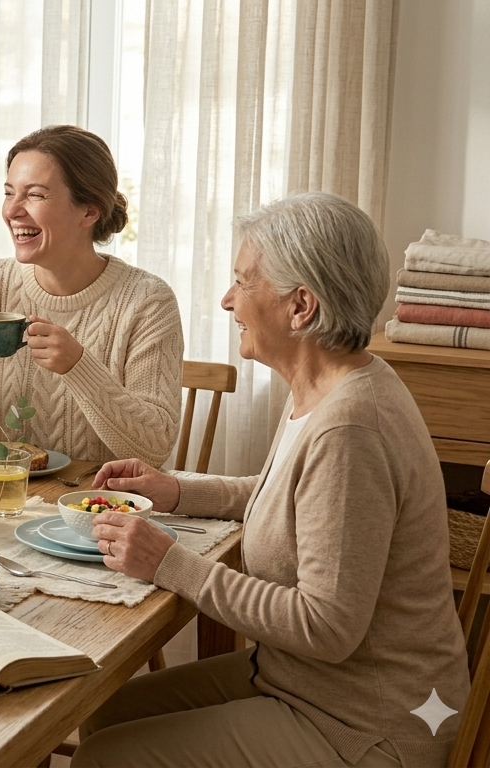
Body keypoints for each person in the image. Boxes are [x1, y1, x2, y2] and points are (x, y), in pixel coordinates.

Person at [74, 192, 470, 767]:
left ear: (301, 305)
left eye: (243, 281)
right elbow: (293, 495)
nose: (227, 299)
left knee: (105, 757)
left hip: (369, 723)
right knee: (102, 710)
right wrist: (176, 489)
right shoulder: (336, 382)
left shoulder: (350, 427)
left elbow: (325, 626)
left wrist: (170, 563)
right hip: (307, 681)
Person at [0, 125, 183, 467]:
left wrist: (78, 366)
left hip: (100, 498)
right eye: (9, 193)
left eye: (35, 195)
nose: (12, 211)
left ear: (89, 211)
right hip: (5, 491)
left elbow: (154, 449)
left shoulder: (148, 302)